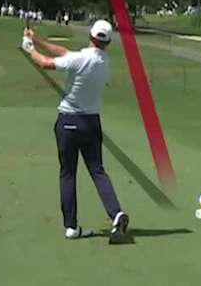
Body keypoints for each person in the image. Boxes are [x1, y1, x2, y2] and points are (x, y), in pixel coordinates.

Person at [23, 20, 130, 243]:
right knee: (98, 171)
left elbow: (45, 64)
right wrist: (38, 39)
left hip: (68, 123)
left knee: (68, 174)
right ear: (107, 41)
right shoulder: (103, 60)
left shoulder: (80, 59)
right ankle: (116, 213)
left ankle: (71, 227)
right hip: (92, 124)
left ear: (90, 35)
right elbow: (65, 52)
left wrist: (28, 48)